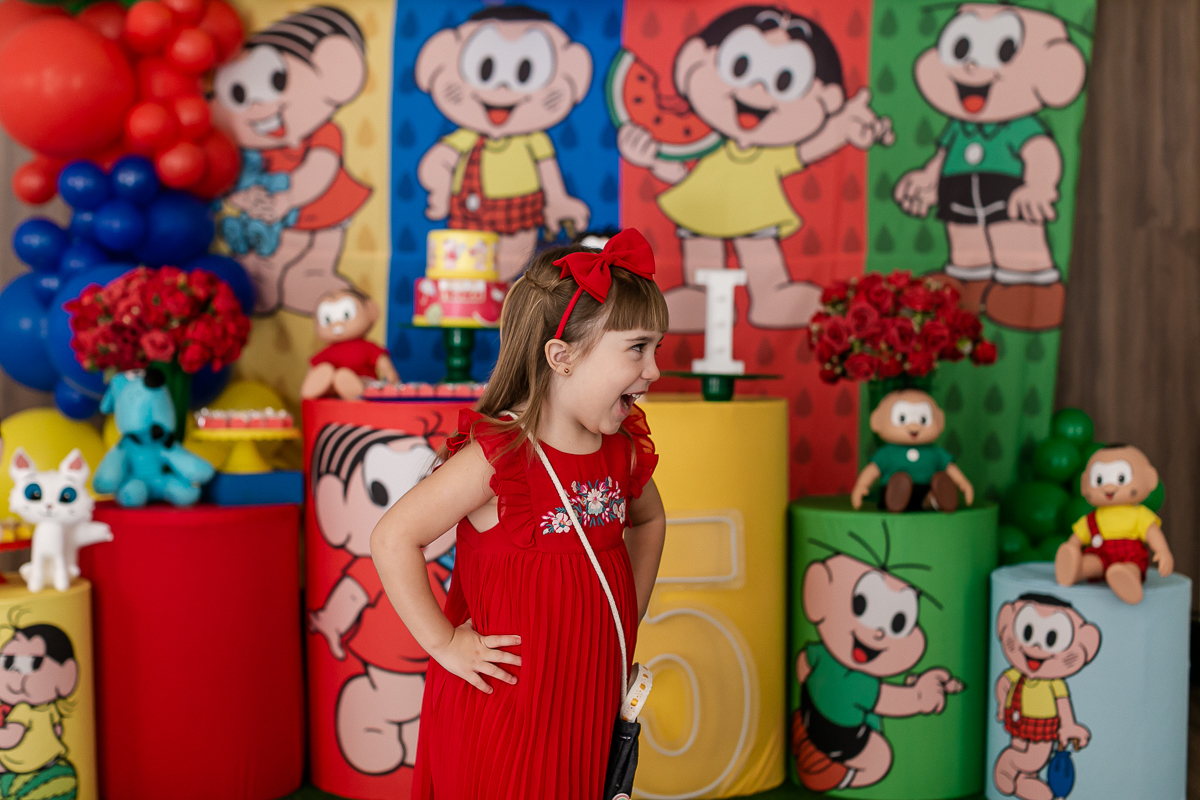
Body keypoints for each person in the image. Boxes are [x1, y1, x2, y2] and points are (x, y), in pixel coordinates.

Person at [370, 228, 668, 799]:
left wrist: (626, 617)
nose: (653, 369)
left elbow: (651, 521)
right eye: (637, 348)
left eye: (657, 348)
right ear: (562, 356)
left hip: (583, 696)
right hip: (505, 707)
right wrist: (444, 644)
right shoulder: (501, 456)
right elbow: (393, 538)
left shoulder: (621, 451)